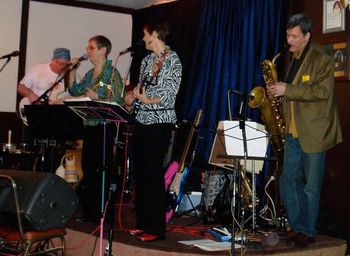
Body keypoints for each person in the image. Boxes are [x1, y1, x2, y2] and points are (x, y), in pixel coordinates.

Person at [267, 13, 342, 247]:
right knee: (288, 180)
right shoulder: (294, 56)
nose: (288, 40)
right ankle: (299, 226)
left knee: (311, 184)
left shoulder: (322, 58)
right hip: (293, 130)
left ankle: (307, 230)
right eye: (288, 35)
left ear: (307, 36)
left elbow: (322, 92)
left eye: (294, 36)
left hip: (314, 131)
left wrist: (287, 89)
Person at [125, 21, 182, 242]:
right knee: (140, 174)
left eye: (145, 34)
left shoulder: (173, 59)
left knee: (153, 175)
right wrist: (132, 97)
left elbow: (170, 94)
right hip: (142, 120)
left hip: (160, 122)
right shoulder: (147, 60)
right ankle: (143, 223)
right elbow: (142, 88)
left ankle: (156, 229)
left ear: (155, 35)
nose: (143, 38)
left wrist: (147, 99)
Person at [68, 35, 125, 222]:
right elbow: (74, 90)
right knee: (88, 168)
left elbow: (119, 100)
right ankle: (90, 211)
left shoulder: (112, 74)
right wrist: (72, 71)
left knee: (102, 169)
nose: (87, 51)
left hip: (105, 128)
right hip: (90, 126)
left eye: (91, 48)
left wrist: (97, 97)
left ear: (102, 50)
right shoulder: (90, 74)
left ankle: (103, 212)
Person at [18, 48, 71, 119]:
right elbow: (21, 87)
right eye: (61, 63)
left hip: (56, 117)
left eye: (66, 64)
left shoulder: (71, 76)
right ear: (53, 60)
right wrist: (31, 95)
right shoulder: (38, 69)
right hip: (35, 114)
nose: (64, 66)